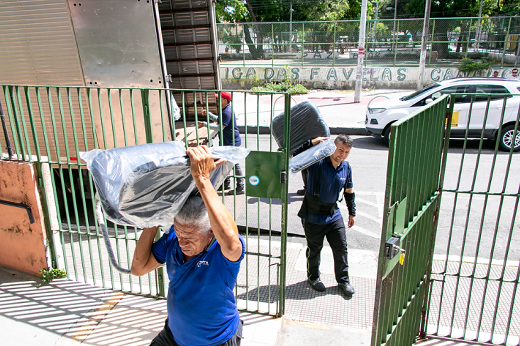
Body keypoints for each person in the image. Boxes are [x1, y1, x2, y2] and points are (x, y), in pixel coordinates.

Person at [131, 145, 245, 346]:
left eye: (190, 238)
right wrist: (156, 217)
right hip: (173, 336)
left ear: (211, 233)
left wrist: (202, 179)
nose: (182, 243)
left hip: (216, 341)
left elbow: (230, 238)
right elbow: (138, 268)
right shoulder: (174, 240)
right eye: (179, 233)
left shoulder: (221, 251)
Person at [295, 134, 356, 297]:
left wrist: (352, 212)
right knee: (315, 249)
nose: (342, 155)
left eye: (347, 152)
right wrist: (312, 141)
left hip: (333, 214)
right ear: (332, 147)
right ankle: (313, 278)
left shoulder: (346, 167)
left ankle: (343, 281)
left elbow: (349, 190)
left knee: (341, 248)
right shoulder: (316, 163)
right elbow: (294, 156)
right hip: (313, 215)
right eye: (340, 150)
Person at [200, 91, 244, 195]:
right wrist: (209, 115)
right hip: (227, 141)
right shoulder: (224, 109)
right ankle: (226, 183)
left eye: (219, 98)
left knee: (234, 163)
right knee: (225, 162)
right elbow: (219, 120)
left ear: (225, 100)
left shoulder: (227, 111)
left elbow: (220, 127)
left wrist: (205, 124)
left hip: (231, 141)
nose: (217, 100)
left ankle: (240, 187)